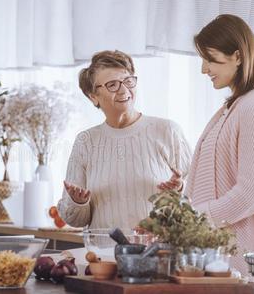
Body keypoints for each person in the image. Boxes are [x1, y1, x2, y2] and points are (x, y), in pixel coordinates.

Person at [57, 50, 192, 231]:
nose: (124, 90)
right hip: (103, 254)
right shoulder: (86, 141)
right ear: (93, 96)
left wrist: (179, 189)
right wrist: (78, 202)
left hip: (158, 254)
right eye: (112, 84)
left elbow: (198, 198)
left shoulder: (168, 131)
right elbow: (75, 220)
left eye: (128, 81)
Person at [187, 14, 254, 276]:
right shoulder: (236, 106)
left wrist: (194, 220)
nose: (204, 69)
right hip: (227, 259)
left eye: (209, 59)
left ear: (237, 56)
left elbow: (251, 193)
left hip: (244, 265)